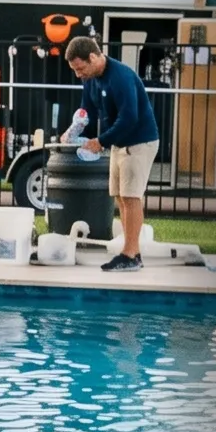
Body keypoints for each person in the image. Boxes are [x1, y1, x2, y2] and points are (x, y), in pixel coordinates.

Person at [63, 33, 159, 273]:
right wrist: (73, 130)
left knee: (131, 196)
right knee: (120, 196)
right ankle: (131, 251)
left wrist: (101, 141)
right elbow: (88, 112)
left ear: (94, 57)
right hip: (118, 143)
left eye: (80, 68)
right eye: (74, 70)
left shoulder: (121, 77)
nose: (78, 74)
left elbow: (130, 118)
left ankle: (131, 254)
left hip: (139, 141)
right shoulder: (91, 79)